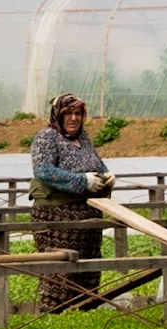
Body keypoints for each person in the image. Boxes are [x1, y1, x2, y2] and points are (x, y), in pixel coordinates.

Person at [29, 93, 116, 313]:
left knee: (87, 265)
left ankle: (84, 310)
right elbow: (43, 170)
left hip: (87, 214)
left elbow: (97, 162)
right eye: (68, 113)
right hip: (57, 215)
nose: (74, 118)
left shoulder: (83, 139)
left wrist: (107, 174)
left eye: (78, 113)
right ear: (58, 115)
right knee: (61, 266)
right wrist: (82, 180)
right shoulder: (46, 137)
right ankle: (54, 313)